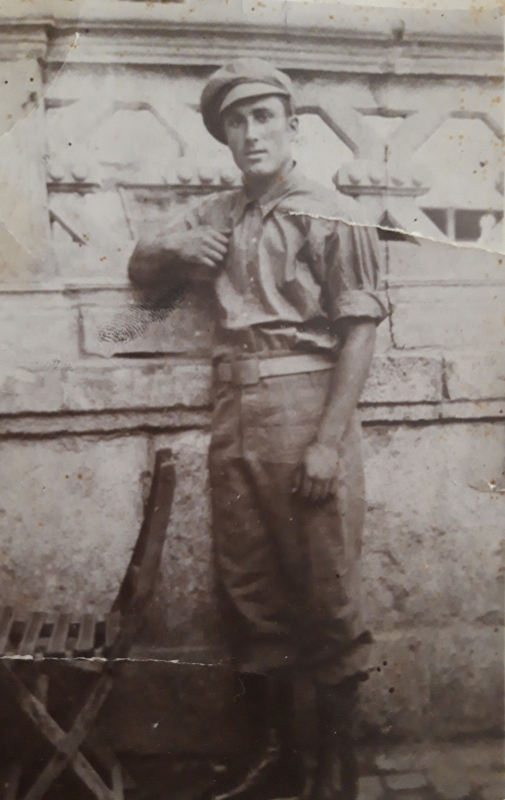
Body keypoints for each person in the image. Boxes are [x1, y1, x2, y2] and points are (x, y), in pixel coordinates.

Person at [128, 58, 388, 800]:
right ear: (225, 136)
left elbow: (359, 331)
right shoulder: (217, 212)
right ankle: (280, 759)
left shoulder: (332, 211)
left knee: (326, 588)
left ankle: (337, 771)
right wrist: (175, 250)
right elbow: (140, 266)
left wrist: (326, 442)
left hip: (304, 404)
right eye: (235, 122)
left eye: (264, 116)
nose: (251, 133)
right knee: (249, 591)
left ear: (292, 126)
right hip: (233, 409)